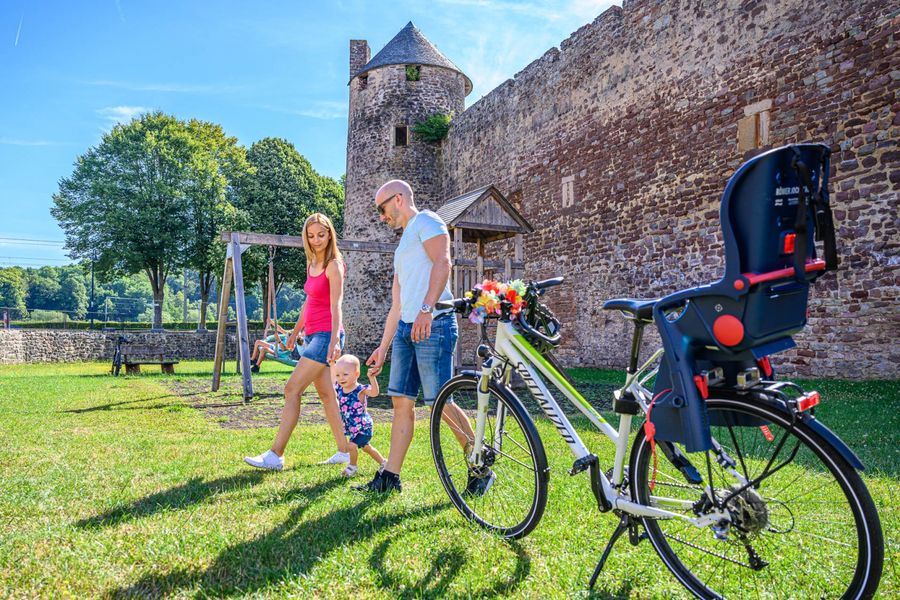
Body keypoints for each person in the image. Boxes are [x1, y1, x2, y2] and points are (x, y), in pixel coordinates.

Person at [359, 180, 491, 495]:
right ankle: (390, 476)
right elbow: (396, 304)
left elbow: (443, 263)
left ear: (399, 199)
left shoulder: (427, 220)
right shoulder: (402, 246)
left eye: (382, 209)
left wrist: (426, 309)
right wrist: (383, 347)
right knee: (401, 402)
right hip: (406, 330)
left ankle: (480, 466)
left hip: (435, 324)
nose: (381, 217)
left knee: (438, 403)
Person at [244, 213, 351, 471]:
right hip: (312, 335)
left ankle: (275, 455)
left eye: (321, 235)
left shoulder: (334, 265)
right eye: (311, 236)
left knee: (292, 389)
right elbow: (309, 302)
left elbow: (336, 305)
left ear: (330, 234)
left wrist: (335, 340)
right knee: (327, 395)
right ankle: (345, 452)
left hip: (326, 335)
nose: (316, 240)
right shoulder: (312, 262)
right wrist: (294, 332)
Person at [332, 354, 386, 478]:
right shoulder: (339, 388)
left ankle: (352, 467)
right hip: (353, 428)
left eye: (345, 374)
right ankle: (384, 462)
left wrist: (372, 378)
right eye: (338, 375)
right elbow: (331, 380)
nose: (341, 378)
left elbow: (374, 393)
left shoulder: (360, 390)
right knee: (367, 448)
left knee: (351, 446)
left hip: (363, 427)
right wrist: (331, 365)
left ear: (356, 374)